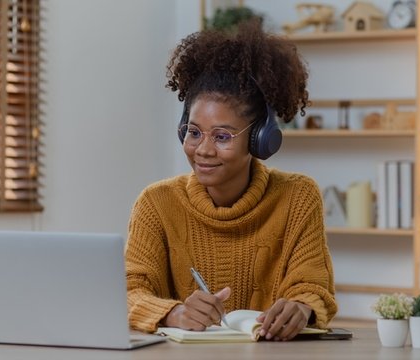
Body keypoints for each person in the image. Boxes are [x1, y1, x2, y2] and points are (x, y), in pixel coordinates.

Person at [125, 20, 337, 341]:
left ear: (260, 140)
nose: (204, 150)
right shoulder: (156, 203)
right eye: (194, 132)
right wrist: (174, 312)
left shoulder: (298, 196)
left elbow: (312, 285)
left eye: (222, 136)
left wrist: (301, 306)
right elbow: (129, 291)